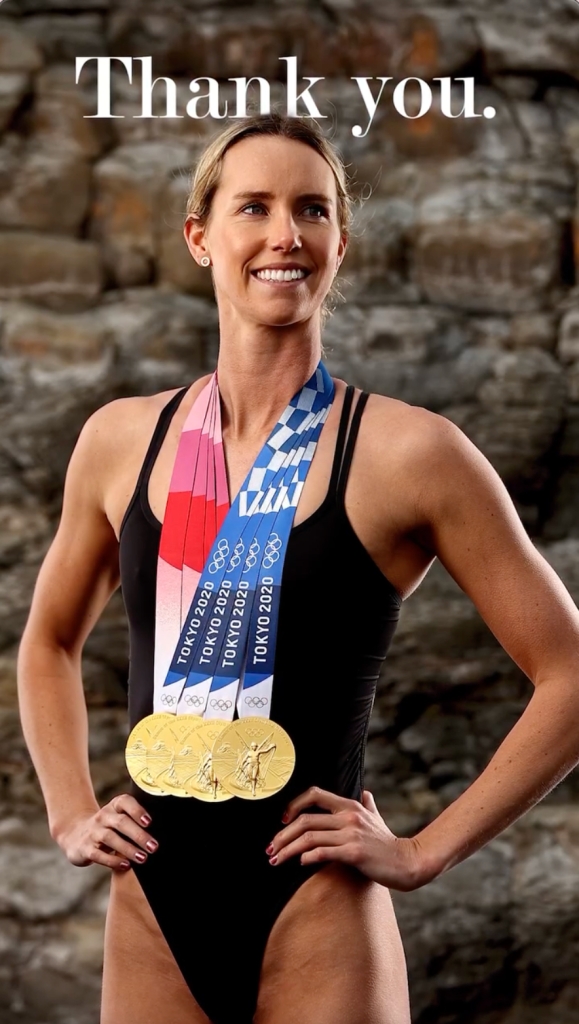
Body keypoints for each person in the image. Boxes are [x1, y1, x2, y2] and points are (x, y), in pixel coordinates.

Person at [17, 110, 579, 1024]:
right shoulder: (120, 440)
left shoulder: (409, 453)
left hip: (313, 913)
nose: (285, 234)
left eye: (312, 211)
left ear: (339, 243)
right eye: (254, 207)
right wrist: (72, 810)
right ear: (201, 236)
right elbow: (47, 640)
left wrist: (424, 850)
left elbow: (571, 673)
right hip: (152, 911)